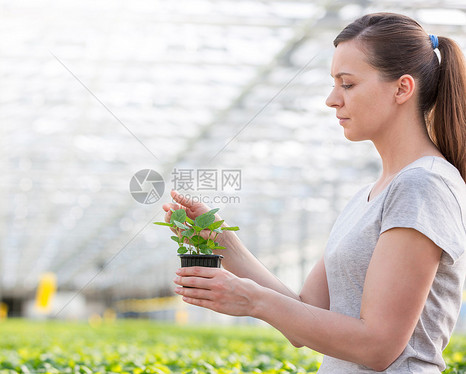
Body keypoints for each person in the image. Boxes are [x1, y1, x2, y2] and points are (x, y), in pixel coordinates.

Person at [162, 12, 466, 373]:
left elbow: (378, 346)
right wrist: (224, 245)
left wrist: (252, 300)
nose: (331, 99)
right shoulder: (368, 196)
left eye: (347, 84)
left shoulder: (422, 185)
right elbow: (307, 310)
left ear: (402, 88)